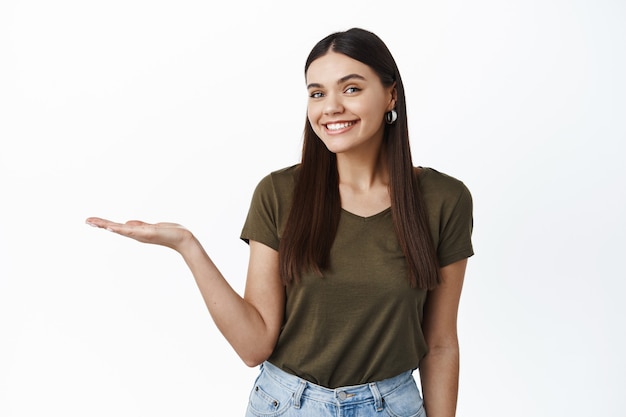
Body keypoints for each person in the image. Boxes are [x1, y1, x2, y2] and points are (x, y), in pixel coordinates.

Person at [86, 27, 473, 417]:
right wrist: (187, 245)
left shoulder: (444, 199)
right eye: (317, 93)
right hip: (287, 405)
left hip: (393, 406)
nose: (331, 107)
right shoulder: (279, 193)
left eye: (351, 89)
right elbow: (254, 346)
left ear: (391, 94)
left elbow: (440, 343)